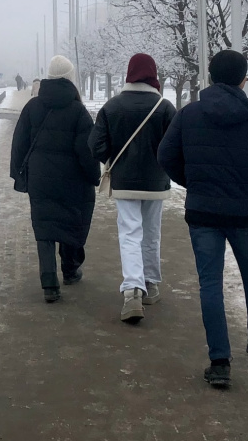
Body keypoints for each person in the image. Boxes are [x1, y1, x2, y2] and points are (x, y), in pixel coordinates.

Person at [157, 49, 248, 388]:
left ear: (209, 77)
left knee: (210, 283)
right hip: (245, 213)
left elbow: (165, 155)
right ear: (243, 80)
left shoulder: (189, 114)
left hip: (203, 212)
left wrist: (195, 181)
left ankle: (219, 361)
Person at [89, 53, 176, 323]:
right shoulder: (164, 107)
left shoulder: (112, 106)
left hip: (124, 183)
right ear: (153, 75)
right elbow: (174, 146)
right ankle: (150, 284)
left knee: (129, 233)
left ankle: (132, 291)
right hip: (155, 183)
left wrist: (114, 160)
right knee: (152, 233)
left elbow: (95, 144)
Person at [10, 55, 100, 303]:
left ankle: (49, 283)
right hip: (72, 179)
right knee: (70, 220)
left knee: (45, 226)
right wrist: (94, 176)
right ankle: (70, 271)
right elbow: (87, 151)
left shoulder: (33, 106)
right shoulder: (78, 110)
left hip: (40, 178)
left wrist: (19, 174)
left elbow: (19, 144)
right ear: (70, 78)